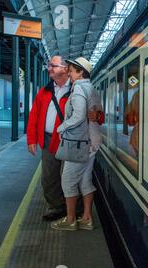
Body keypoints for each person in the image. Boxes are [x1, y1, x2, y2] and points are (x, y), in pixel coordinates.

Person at [27, 56, 103, 221]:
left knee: (73, 177)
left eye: (53, 66)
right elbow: (34, 115)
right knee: (49, 177)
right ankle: (57, 207)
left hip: (73, 140)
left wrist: (97, 115)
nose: (49, 69)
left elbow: (96, 113)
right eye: (49, 66)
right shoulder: (45, 91)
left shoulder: (77, 89)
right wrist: (31, 139)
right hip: (49, 140)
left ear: (64, 69)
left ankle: (76, 210)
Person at [51, 57, 101, 231]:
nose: (69, 74)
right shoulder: (91, 88)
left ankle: (71, 219)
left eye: (71, 71)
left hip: (80, 142)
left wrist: (61, 127)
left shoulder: (79, 88)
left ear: (80, 72)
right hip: (92, 141)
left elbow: (79, 116)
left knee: (67, 180)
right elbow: (95, 114)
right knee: (85, 180)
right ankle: (87, 218)